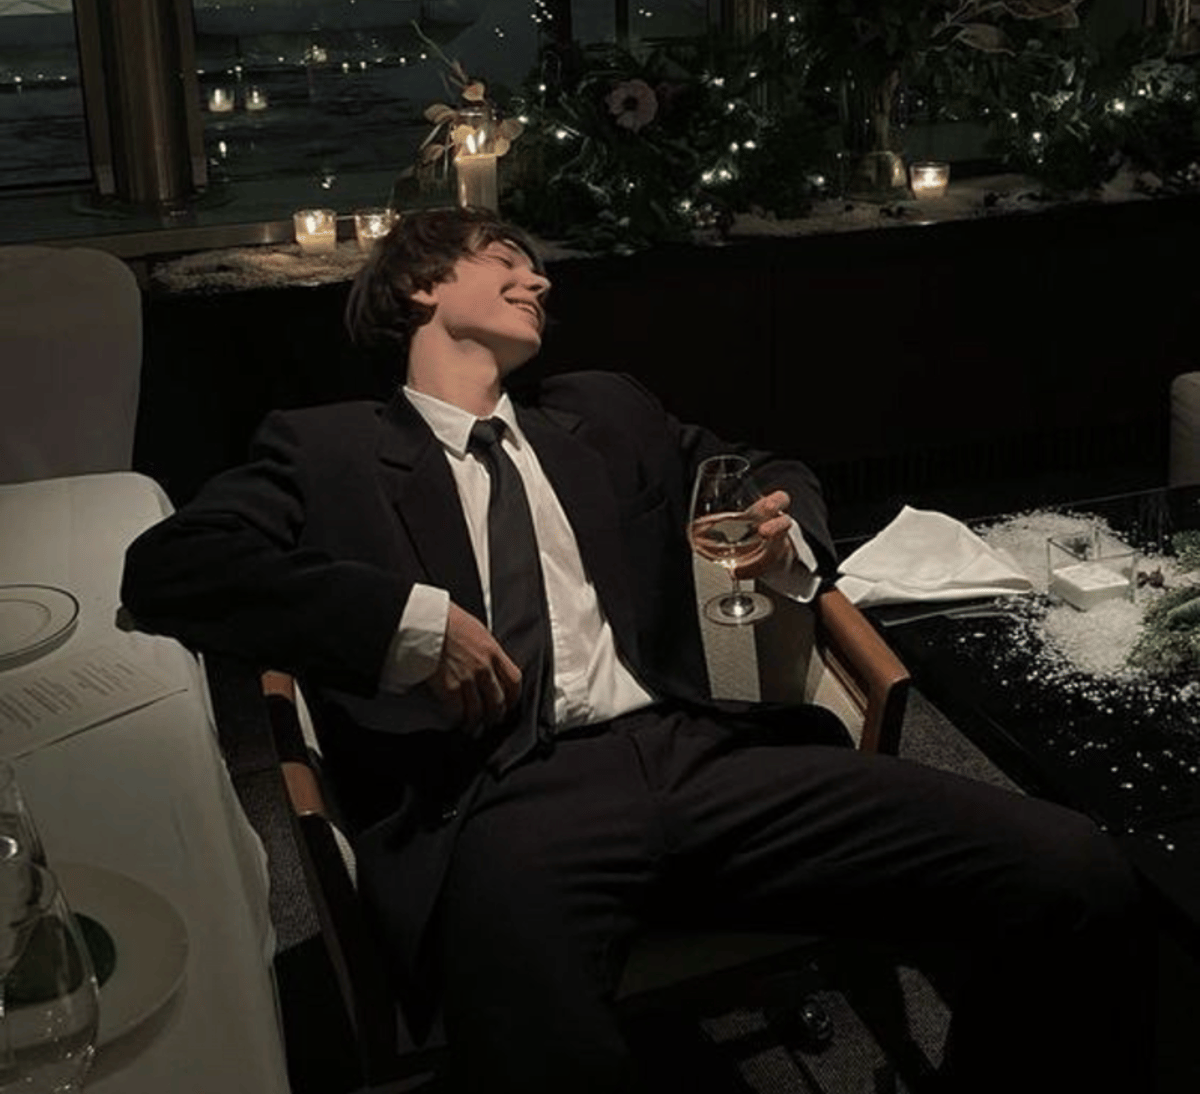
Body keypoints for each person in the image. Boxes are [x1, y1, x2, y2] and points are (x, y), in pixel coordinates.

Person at [122, 207, 1147, 1094]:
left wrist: (782, 531)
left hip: (699, 754)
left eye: (538, 269)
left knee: (1072, 869)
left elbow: (762, 469)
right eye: (505, 260)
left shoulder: (601, 412)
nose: (539, 280)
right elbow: (170, 570)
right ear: (421, 287)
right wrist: (407, 624)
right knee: (542, 1055)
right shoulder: (328, 447)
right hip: (502, 796)